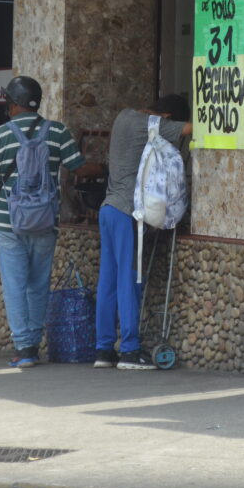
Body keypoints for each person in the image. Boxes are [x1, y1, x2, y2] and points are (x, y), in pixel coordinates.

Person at [0, 76, 99, 369]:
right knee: (38, 283)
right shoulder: (57, 132)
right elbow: (80, 168)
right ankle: (33, 341)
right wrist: (106, 167)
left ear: (12, 104)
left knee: (14, 285)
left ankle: (24, 348)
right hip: (46, 221)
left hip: (11, 224)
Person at [94, 95, 191, 370]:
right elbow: (190, 129)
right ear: (166, 117)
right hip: (128, 213)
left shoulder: (123, 116)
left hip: (108, 209)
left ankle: (103, 350)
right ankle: (129, 351)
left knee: (108, 281)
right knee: (130, 279)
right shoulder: (149, 124)